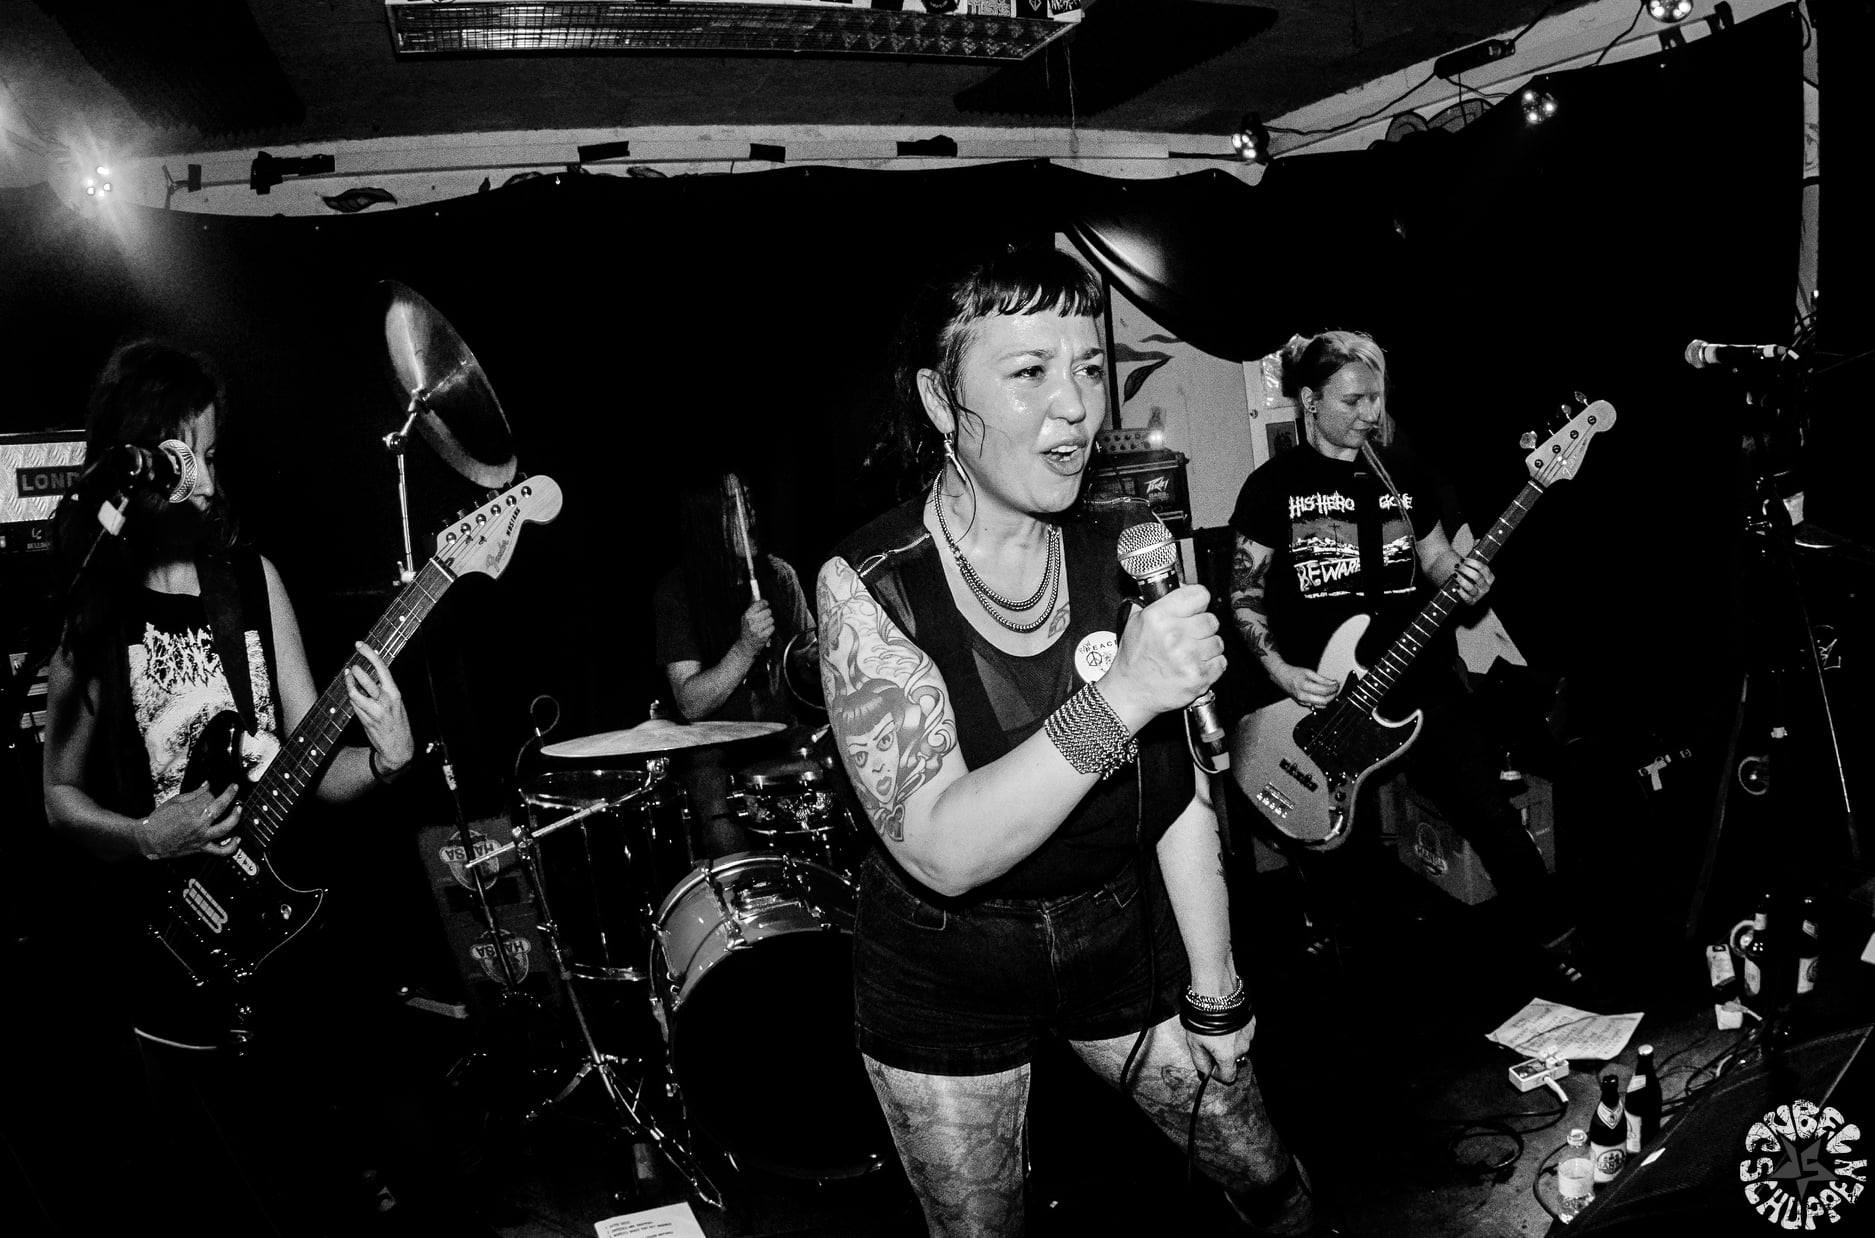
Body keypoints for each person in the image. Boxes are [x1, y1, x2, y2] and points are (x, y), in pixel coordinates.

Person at [818, 246, 1322, 1237]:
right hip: (946, 965)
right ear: (939, 399)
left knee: (1263, 1172)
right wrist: (1121, 695)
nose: (1076, 408)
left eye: (1089, 368)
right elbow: (944, 848)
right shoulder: (870, 583)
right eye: (1029, 371)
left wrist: (1216, 984)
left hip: (1118, 931)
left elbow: (1177, 794)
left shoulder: (1126, 548)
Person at [38, 340, 474, 1235]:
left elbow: (310, 769)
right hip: (175, 951)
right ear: (136, 461)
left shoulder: (249, 581)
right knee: (218, 1199)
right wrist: (144, 837)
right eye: (182, 454)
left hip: (294, 936)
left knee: (407, 1159)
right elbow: (58, 798)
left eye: (210, 451)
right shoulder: (96, 612)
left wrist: (385, 761)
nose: (204, 476)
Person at [1227, 328, 1579, 983]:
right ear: (1309, 400)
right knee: (1338, 844)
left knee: (1488, 809)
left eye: (1376, 398)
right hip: (1323, 696)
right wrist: (1279, 671)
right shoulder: (1271, 486)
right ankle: (1346, 946)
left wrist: (1465, 578)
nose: (1370, 412)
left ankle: (1557, 937)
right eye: (1353, 400)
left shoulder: (1405, 475)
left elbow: (1435, 557)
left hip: (1419, 681)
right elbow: (1243, 593)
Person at [653, 470, 814, 857]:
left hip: (783, 739)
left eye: (749, 500)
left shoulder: (779, 576)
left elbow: (810, 662)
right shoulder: (678, 592)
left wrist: (824, 653)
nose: (749, 513)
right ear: (705, 519)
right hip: (715, 753)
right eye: (733, 506)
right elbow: (691, 703)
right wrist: (745, 647)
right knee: (716, 809)